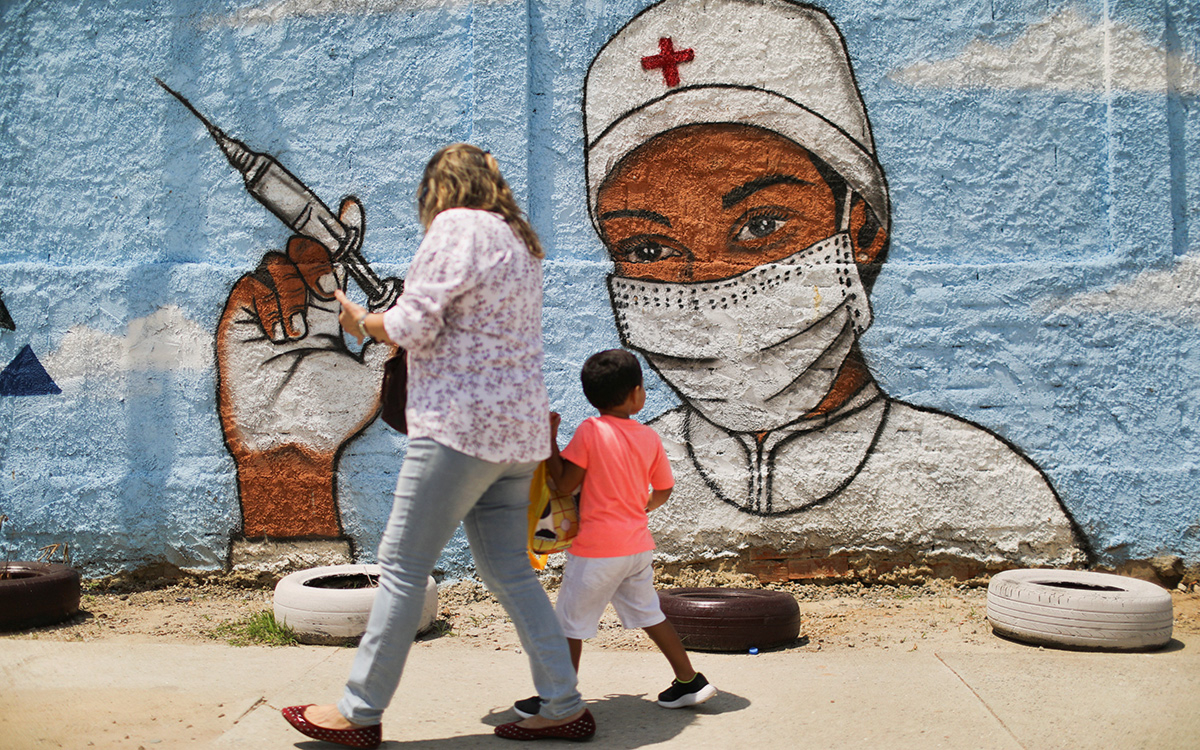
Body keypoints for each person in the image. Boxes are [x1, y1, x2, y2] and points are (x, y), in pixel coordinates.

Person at [583, 0, 1091, 568]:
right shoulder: (630, 479)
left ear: (862, 229)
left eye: (761, 226)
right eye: (648, 250)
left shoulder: (984, 486)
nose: (710, 283)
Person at [280, 144, 595, 747]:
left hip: (458, 429)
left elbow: (414, 324)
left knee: (401, 567)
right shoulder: (519, 243)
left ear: (440, 189)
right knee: (510, 573)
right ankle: (562, 704)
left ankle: (358, 712)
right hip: (517, 435)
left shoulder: (455, 228)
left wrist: (362, 323)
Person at [511, 349, 716, 720]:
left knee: (569, 625)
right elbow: (664, 489)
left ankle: (558, 698)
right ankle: (690, 681)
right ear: (637, 393)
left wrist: (550, 440)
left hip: (596, 552)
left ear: (591, 396)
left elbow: (564, 481)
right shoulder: (649, 437)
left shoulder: (591, 430)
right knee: (651, 614)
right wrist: (644, 507)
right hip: (637, 547)